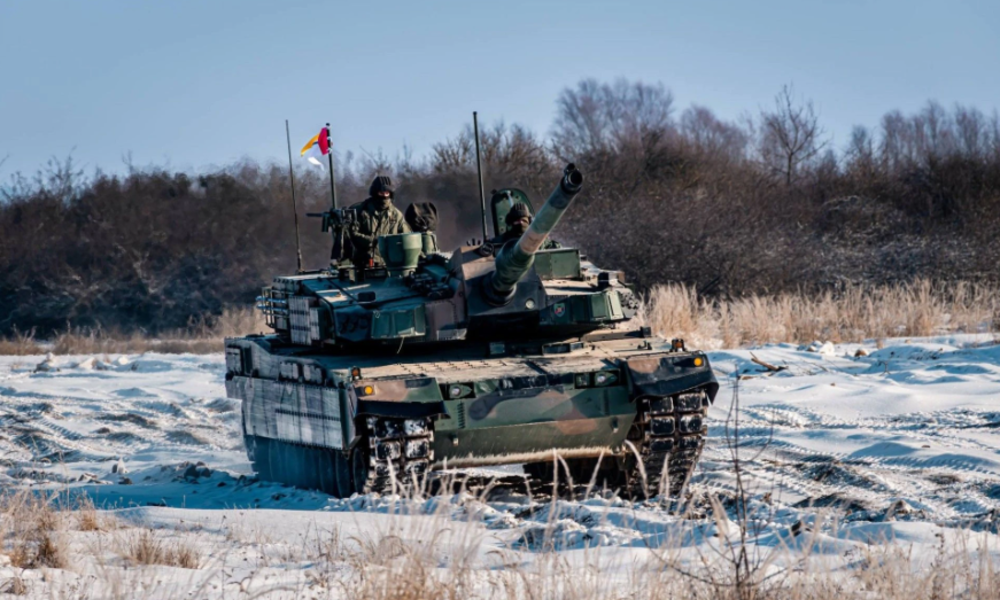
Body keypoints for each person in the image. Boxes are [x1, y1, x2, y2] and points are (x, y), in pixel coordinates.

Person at [348, 175, 410, 266]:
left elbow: (407, 237)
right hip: (364, 263)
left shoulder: (396, 215)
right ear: (375, 193)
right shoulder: (362, 211)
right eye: (381, 193)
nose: (384, 196)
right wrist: (372, 241)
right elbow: (352, 234)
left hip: (390, 264)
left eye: (387, 193)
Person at [491, 202, 560, 249]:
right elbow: (490, 246)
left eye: (524, 220)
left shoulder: (539, 240)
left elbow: (557, 248)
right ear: (511, 222)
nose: (521, 223)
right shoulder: (502, 240)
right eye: (517, 221)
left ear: (529, 222)